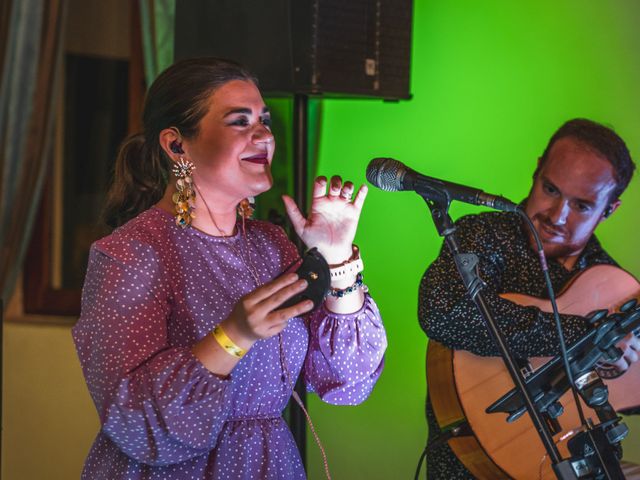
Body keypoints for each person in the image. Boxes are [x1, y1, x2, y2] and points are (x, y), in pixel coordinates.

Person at [72, 57, 387, 480]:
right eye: (240, 122)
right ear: (176, 145)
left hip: (269, 463)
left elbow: (345, 382)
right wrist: (233, 335)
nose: (264, 136)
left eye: (265, 120)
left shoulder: (271, 245)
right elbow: (134, 419)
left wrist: (337, 260)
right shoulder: (132, 252)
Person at [419, 118, 639, 479]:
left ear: (610, 209)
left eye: (582, 205)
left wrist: (618, 364)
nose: (557, 215)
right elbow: (444, 311)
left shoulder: (616, 286)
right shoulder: (481, 237)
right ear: (537, 170)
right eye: (551, 189)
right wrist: (582, 337)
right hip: (473, 468)